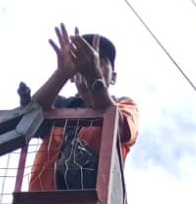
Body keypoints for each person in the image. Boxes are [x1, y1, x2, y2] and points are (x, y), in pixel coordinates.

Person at [25, 24, 139, 191]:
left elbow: (121, 128)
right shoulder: (58, 105)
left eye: (101, 59)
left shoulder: (125, 105)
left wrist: (95, 78)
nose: (93, 62)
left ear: (113, 77)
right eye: (82, 57)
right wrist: (61, 74)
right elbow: (28, 115)